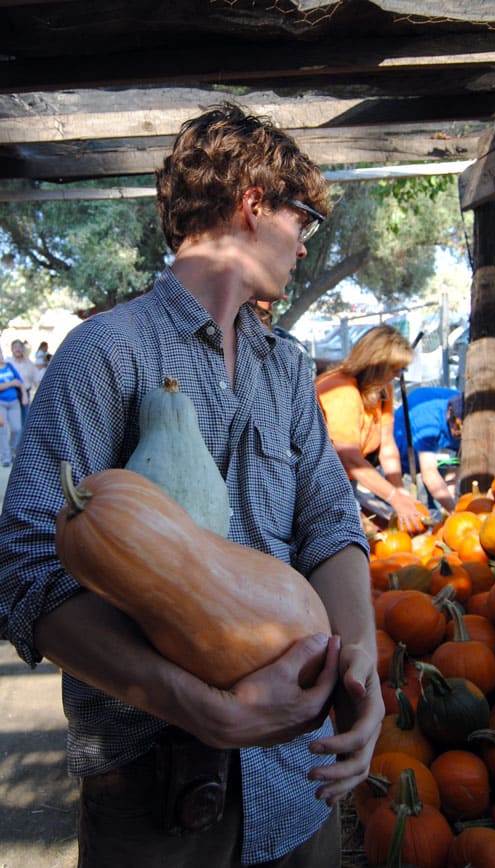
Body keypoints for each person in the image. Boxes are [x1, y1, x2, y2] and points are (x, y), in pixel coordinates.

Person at [0, 103, 384, 868]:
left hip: (298, 781)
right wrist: (190, 702)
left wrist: (361, 662)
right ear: (253, 201)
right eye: (302, 217)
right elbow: (24, 570)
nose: (306, 244)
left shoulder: (286, 368)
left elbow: (331, 524)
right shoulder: (105, 353)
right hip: (153, 789)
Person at [315, 324, 424, 532]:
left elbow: (388, 445)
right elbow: (349, 458)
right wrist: (393, 498)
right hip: (316, 482)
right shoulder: (342, 390)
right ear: (376, 365)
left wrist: (399, 489)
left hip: (344, 478)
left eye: (401, 369)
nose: (397, 375)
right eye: (395, 369)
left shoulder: (383, 389)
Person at [394, 386, 463, 513]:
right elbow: (429, 472)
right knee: (399, 472)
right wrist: (454, 511)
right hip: (405, 437)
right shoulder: (427, 422)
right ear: (449, 412)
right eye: (457, 427)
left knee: (444, 498)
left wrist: (450, 495)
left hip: (440, 452)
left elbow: (456, 459)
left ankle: (437, 509)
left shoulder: (467, 411)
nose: (458, 432)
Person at [0, 345, 27, 466]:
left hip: (14, 402)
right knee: (3, 429)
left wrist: (24, 395)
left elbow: (19, 381)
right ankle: (5, 456)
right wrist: (11, 383)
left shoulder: (9, 366)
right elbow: (14, 382)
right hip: (1, 403)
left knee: (17, 428)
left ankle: (10, 451)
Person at [7, 339, 40, 428]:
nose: (17, 349)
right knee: (13, 423)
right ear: (12, 349)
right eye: (15, 347)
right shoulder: (8, 363)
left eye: (19, 347)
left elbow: (36, 381)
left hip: (25, 394)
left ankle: (21, 441)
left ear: (23, 349)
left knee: (24, 421)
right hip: (11, 394)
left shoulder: (30, 364)